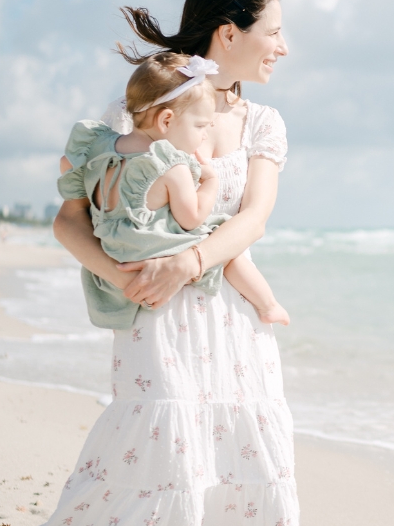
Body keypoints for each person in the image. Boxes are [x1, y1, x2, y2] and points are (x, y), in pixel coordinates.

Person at [0, 0, 320, 526]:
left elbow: (252, 219)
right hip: (157, 325)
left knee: (252, 481)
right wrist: (125, 277)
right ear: (230, 31)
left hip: (230, 325)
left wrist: (188, 261)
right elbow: (68, 221)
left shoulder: (264, 124)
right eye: (274, 30)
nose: (283, 46)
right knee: (171, 479)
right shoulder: (155, 110)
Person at [58, 52, 288, 327]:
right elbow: (192, 217)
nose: (204, 134)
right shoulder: (170, 165)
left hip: (118, 256)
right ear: (166, 121)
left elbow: (67, 166)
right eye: (201, 126)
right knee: (222, 240)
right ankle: (268, 304)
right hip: (159, 249)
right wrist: (210, 181)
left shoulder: (101, 147)